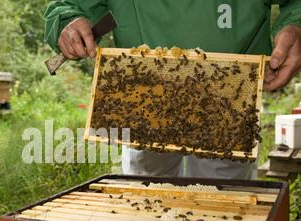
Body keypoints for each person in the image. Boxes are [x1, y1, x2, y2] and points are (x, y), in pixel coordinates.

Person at [44, 0, 301, 179]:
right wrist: (69, 22)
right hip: (144, 102)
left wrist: (296, 25)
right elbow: (70, 6)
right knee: (148, 211)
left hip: (227, 101)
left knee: (223, 213)